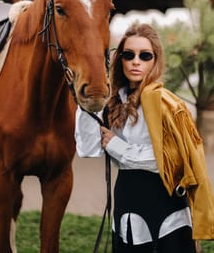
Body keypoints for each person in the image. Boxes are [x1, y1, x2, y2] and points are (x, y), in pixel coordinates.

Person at [75, 23, 214, 253]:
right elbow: (89, 149)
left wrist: (116, 146)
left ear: (155, 60)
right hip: (128, 201)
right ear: (119, 59)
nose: (136, 61)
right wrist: (88, 102)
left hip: (167, 204)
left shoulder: (165, 102)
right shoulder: (113, 102)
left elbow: (167, 159)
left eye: (144, 55)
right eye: (128, 55)